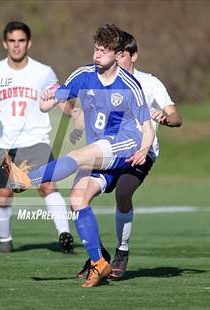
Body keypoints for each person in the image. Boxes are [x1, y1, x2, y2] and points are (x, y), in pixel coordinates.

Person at [2, 24, 155, 287]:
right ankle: (98, 263)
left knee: (79, 155)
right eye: (96, 49)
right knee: (77, 199)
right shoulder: (84, 75)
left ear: (117, 54)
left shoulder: (130, 84)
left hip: (125, 144)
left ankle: (27, 179)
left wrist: (143, 148)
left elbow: (147, 126)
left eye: (104, 51)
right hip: (99, 151)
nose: (97, 55)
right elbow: (54, 99)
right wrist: (46, 100)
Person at [71, 31, 183, 280]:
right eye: (116, 54)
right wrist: (78, 125)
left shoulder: (149, 83)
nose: (118, 59)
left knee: (123, 192)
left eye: (122, 54)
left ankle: (122, 252)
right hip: (107, 152)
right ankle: (98, 257)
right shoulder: (101, 79)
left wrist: (166, 119)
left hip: (138, 154)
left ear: (134, 56)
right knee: (78, 197)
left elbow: (176, 116)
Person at [0, 21, 74, 254]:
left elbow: (59, 97)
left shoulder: (43, 72)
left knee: (46, 185)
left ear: (29, 43)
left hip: (36, 139)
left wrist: (74, 112)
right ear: (5, 43)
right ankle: (5, 240)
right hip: (5, 142)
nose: (16, 46)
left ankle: (65, 234)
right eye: (12, 41)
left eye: (21, 41)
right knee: (4, 195)